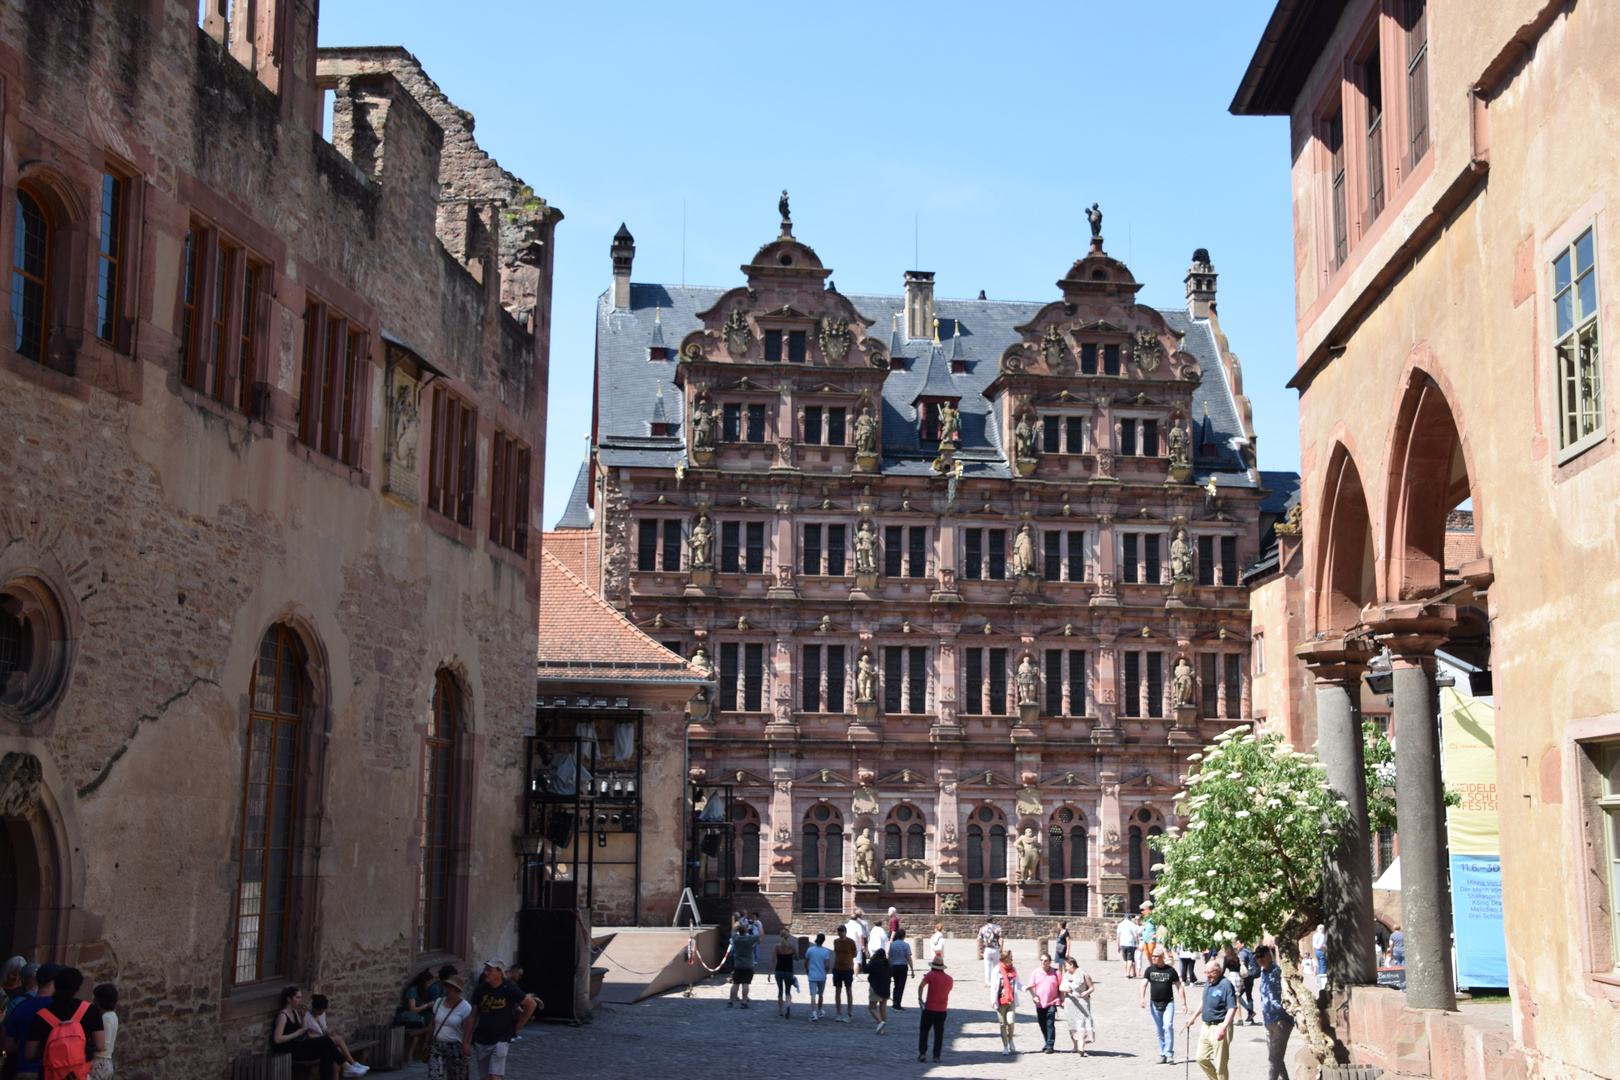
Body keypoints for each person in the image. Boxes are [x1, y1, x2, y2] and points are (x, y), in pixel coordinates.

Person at [21, 967, 103, 1080]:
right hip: (78, 1074)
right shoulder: (91, 1011)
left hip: (51, 1075)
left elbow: (29, 1055)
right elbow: (99, 1044)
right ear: (78, 987)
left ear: (55, 985)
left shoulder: (41, 1016)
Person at [464, 959, 535, 1080]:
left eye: (489, 971)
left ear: (499, 973)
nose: (486, 973)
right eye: (485, 970)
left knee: (495, 1075)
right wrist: (465, 1040)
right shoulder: (480, 990)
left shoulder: (508, 988)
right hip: (482, 1038)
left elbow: (530, 1004)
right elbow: (472, 1015)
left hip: (501, 1038)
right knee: (485, 1077)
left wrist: (518, 1026)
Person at [270, 986, 343, 1080]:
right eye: (297, 998)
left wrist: (303, 1015)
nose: (300, 1000)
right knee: (326, 1040)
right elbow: (277, 1039)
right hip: (288, 1050)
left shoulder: (295, 1013)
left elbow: (303, 1030)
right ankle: (346, 1065)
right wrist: (296, 1034)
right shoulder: (283, 1015)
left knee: (327, 1051)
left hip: (298, 1045)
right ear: (289, 999)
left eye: (300, 997)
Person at [5, 963, 61, 1080]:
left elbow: (8, 1045)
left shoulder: (20, 1007)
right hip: (54, 1071)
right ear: (56, 981)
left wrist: (26, 1045)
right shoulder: (61, 1008)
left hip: (25, 1071)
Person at [1186, 959, 1238, 1080]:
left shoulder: (1225, 984)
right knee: (1201, 1058)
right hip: (1206, 1026)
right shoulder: (1208, 982)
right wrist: (1193, 1017)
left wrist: (1224, 1027)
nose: (1207, 975)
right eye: (1206, 973)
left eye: (1210, 973)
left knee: (1220, 1064)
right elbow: (1203, 1001)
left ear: (1218, 971)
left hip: (1220, 1026)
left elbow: (1232, 1008)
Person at [1139, 946, 1186, 1064]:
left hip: (1168, 1003)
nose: (1154, 958)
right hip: (1154, 1004)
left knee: (1168, 1026)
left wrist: (1183, 1004)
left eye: (1156, 956)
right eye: (1153, 956)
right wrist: (1142, 999)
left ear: (1162, 957)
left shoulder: (1170, 971)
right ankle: (1162, 1053)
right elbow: (1143, 984)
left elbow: (1179, 987)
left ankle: (1169, 1053)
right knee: (1159, 1030)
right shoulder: (1150, 970)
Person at [304, 994, 369, 1076]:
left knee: (338, 1050)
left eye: (323, 1010)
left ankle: (337, 1076)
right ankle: (352, 1063)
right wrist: (318, 1036)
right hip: (314, 1041)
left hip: (324, 1039)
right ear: (314, 1008)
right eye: (319, 1011)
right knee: (339, 1039)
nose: (321, 1013)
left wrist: (328, 1033)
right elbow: (305, 1034)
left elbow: (323, 1028)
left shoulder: (322, 1014)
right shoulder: (306, 1016)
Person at [1255, 946, 1292, 1080]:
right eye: (1257, 957)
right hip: (1268, 1021)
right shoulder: (1263, 972)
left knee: (1274, 1057)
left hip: (1281, 1020)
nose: (1260, 959)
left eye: (1262, 956)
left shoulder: (1278, 972)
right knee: (1277, 1057)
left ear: (1269, 954)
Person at [425, 974, 471, 1080]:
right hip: (437, 1046)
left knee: (456, 1076)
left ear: (457, 990)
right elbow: (432, 1024)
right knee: (434, 1077)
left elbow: (467, 1030)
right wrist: (426, 1042)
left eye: (450, 988)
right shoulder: (439, 1002)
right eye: (446, 987)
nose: (447, 990)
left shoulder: (465, 1007)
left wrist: (466, 1045)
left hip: (455, 1047)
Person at [916, 956, 952, 1064]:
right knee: (939, 1033)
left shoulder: (930, 975)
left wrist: (920, 998)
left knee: (924, 1031)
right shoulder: (949, 979)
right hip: (942, 1009)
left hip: (930, 1008)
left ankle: (923, 1053)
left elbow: (921, 986)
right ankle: (936, 1056)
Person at [1027, 953, 1062, 1055]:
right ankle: (1047, 1041)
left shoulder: (1056, 973)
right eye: (1042, 960)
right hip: (1040, 1003)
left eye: (1046, 960)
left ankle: (1050, 1044)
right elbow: (1030, 987)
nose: (1043, 962)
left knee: (1050, 1023)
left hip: (1053, 1001)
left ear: (1050, 962)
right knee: (1042, 1024)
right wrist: (1034, 996)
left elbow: (1060, 987)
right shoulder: (1036, 972)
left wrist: (1062, 1000)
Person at [1059, 957, 1095, 1055]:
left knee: (1082, 1024)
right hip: (1070, 1003)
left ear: (1072, 965)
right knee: (1073, 1024)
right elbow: (1061, 988)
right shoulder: (1066, 976)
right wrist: (1063, 998)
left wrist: (1087, 992)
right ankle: (1075, 1046)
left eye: (1066, 965)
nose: (1065, 968)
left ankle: (1081, 1048)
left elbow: (1091, 987)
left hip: (1082, 1003)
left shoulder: (1084, 974)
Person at [397, 969, 437, 1058]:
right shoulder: (412, 990)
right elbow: (412, 1009)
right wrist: (427, 1005)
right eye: (428, 983)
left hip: (420, 1015)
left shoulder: (423, 992)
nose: (429, 986)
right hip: (411, 1017)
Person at [993, 951, 1023, 1056]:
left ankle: (1010, 1039)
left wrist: (1024, 988)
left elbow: (1018, 984)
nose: (1012, 960)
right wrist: (993, 999)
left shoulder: (1013, 969)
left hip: (1011, 1000)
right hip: (1000, 1000)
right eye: (1010, 958)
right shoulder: (997, 970)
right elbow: (993, 986)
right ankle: (1005, 1045)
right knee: (1002, 1024)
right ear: (1005, 959)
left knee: (1010, 1021)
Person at [728, 922, 760, 1009]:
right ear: (746, 931)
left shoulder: (736, 938)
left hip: (738, 964)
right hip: (748, 965)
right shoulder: (749, 939)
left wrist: (737, 926)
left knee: (735, 983)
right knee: (746, 984)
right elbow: (761, 935)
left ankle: (730, 1001)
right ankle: (744, 1002)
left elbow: (732, 932)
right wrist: (759, 926)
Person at [89, 984, 117, 1080]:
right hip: (107, 1062)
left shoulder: (106, 1018)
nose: (93, 1002)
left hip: (100, 1063)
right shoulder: (113, 1016)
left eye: (95, 999)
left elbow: (105, 1044)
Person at [805, 934, 832, 1021]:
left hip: (812, 975)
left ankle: (813, 1013)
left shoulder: (810, 950)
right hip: (822, 976)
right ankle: (819, 1010)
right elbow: (827, 965)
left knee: (813, 994)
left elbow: (806, 962)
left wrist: (807, 971)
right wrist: (825, 972)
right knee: (820, 994)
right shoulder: (826, 952)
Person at [772, 928, 797, 1019]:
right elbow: (797, 957)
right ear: (788, 936)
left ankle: (781, 1011)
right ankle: (788, 1006)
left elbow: (773, 960)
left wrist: (769, 972)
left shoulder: (777, 946)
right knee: (787, 991)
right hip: (788, 970)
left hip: (779, 970)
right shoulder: (792, 946)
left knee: (780, 991)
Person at [866, 947, 891, 1034]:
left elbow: (865, 969)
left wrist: (871, 960)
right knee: (883, 1008)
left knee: (872, 1008)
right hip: (886, 988)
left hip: (876, 987)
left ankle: (880, 1022)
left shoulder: (875, 963)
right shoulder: (887, 964)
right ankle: (882, 1026)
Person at [888, 929, 913, 1011]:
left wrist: (889, 967)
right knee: (901, 986)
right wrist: (912, 969)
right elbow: (909, 958)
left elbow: (889, 957)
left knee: (896, 985)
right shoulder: (906, 945)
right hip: (903, 966)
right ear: (904, 936)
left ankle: (895, 1003)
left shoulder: (892, 945)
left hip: (894, 966)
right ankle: (898, 1004)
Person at [1236, 941, 1259, 1024]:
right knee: (1249, 996)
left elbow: (1242, 966)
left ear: (1242, 944)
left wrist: (1241, 979)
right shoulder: (1249, 951)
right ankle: (1251, 1019)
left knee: (1237, 996)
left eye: (1238, 943)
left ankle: (1250, 1011)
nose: (1236, 945)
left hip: (1245, 976)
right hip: (1251, 975)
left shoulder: (1242, 953)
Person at [978, 917, 1003, 989]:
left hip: (987, 949)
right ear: (993, 920)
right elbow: (1001, 938)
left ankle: (987, 982)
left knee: (987, 966)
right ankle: (996, 981)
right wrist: (1001, 948)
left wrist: (980, 949)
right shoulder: (998, 928)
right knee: (996, 966)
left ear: (986, 921)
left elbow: (979, 939)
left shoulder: (983, 928)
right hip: (995, 948)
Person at [1117, 913, 1139, 977]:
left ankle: (1126, 972)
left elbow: (1118, 936)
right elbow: (1135, 935)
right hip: (1130, 943)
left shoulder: (1120, 924)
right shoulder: (1132, 924)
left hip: (1123, 943)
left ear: (1124, 917)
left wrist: (1118, 945)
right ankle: (1128, 973)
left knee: (1125, 959)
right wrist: (1137, 944)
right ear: (1130, 918)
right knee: (1130, 959)